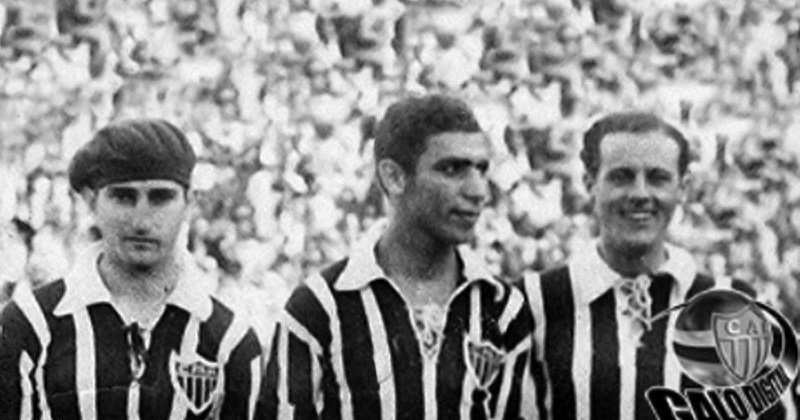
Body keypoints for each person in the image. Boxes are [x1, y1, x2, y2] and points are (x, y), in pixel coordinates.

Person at [260, 94, 534, 419]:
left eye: (482, 170)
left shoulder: (503, 308)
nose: (478, 191)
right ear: (394, 177)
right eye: (452, 169)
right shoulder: (319, 307)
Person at [519, 111, 796, 420]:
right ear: (589, 183)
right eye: (621, 176)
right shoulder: (532, 303)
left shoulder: (731, 304)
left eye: (657, 178)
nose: (640, 193)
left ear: (683, 188)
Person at [0, 119, 263, 420]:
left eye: (160, 197)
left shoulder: (230, 340)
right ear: (92, 202)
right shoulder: (30, 327)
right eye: (123, 197)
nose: (141, 221)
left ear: (189, 203)